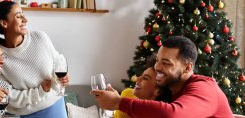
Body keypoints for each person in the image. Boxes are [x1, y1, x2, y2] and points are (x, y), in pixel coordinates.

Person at [92, 36, 233, 118]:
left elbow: (174, 114)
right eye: (158, 60)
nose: (158, 67)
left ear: (188, 68)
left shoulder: (204, 87)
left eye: (165, 63)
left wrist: (118, 102)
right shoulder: (171, 89)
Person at [0, 1, 69, 117]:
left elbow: (58, 59)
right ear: (4, 23)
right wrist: (39, 92)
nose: (25, 19)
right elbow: (7, 94)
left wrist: (63, 76)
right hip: (26, 115)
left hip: (56, 107)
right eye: (18, 16)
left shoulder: (40, 37)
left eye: (23, 14)